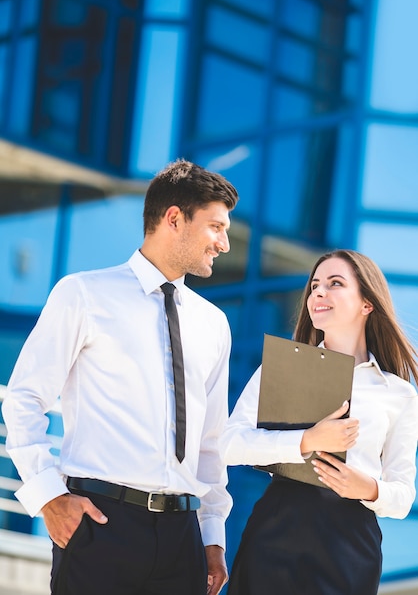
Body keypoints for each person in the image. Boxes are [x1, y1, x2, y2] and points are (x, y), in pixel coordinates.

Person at [2, 159, 239, 595]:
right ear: (174, 219)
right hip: (101, 524)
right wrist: (48, 497)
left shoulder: (214, 324)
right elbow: (23, 399)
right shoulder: (85, 294)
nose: (223, 243)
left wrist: (212, 536)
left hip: (182, 539)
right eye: (215, 227)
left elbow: (210, 442)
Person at [220, 249, 418, 595]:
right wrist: (306, 440)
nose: (318, 293)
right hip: (276, 530)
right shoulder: (279, 368)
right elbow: (229, 444)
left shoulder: (398, 393)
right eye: (314, 286)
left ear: (366, 304)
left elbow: (403, 495)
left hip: (350, 543)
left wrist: (368, 488)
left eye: (335, 283)